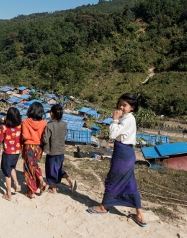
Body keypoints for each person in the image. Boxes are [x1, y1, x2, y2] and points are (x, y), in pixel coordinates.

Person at [87, 93, 147, 227]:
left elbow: (113, 134)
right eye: (120, 104)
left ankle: (104, 207)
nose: (121, 107)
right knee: (130, 183)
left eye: (125, 105)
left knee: (112, 180)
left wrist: (114, 120)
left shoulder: (127, 119)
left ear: (132, 107)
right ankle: (140, 215)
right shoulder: (127, 118)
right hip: (126, 152)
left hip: (123, 154)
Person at [42, 104, 76, 194]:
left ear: (52, 114)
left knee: (50, 170)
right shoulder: (64, 125)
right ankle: (69, 180)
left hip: (52, 151)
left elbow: (45, 139)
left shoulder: (49, 126)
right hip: (61, 151)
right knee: (58, 168)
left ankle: (53, 189)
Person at [22, 102, 47, 199]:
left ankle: (32, 191)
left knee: (28, 168)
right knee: (35, 165)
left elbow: (26, 136)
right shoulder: (44, 122)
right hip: (39, 148)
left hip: (29, 147)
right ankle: (40, 182)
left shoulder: (26, 122)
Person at [0, 107, 22, 201]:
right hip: (17, 152)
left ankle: (8, 193)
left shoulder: (4, 127)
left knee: (7, 172)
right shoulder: (20, 126)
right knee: (12, 167)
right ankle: (16, 183)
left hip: (8, 153)